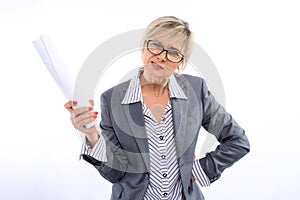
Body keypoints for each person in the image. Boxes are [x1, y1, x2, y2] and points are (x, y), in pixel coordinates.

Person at [64, 16, 250, 200]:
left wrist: (198, 170)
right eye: (156, 45)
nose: (161, 56)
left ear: (181, 62)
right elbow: (114, 174)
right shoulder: (112, 99)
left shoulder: (196, 90)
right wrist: (92, 136)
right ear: (143, 47)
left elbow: (237, 141)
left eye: (174, 52)